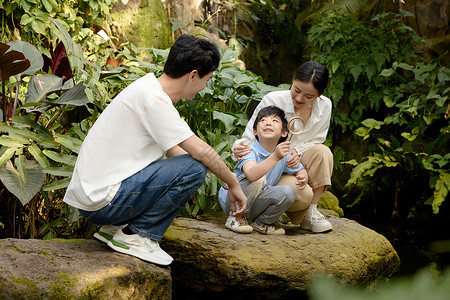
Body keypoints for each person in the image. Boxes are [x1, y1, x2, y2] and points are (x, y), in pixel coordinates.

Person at [63, 34, 247, 266]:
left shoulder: (148, 88)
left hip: (96, 200)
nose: (204, 87)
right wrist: (233, 183)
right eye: (206, 80)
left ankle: (114, 231)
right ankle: (137, 236)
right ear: (192, 76)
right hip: (103, 202)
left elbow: (175, 154)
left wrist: (204, 172)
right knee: (196, 165)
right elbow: (202, 154)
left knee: (193, 166)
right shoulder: (153, 100)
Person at [233, 61, 333, 233]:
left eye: (309, 96)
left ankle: (312, 213)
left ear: (319, 94)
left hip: (296, 164)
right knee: (302, 195)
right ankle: (266, 214)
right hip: (271, 166)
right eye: (296, 90)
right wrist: (238, 148)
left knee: (323, 152)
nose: (300, 99)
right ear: (292, 81)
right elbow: (250, 137)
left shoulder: (325, 105)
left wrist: (296, 153)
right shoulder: (272, 100)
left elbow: (317, 139)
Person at [218, 105, 308, 235]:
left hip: (255, 203)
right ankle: (235, 218)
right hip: (233, 200)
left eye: (274, 121)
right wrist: (275, 156)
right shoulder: (249, 150)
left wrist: (302, 174)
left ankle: (261, 223)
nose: (268, 123)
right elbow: (252, 174)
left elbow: (298, 169)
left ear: (284, 133)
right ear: (255, 131)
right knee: (259, 177)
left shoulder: (283, 154)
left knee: (288, 192)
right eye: (263, 120)